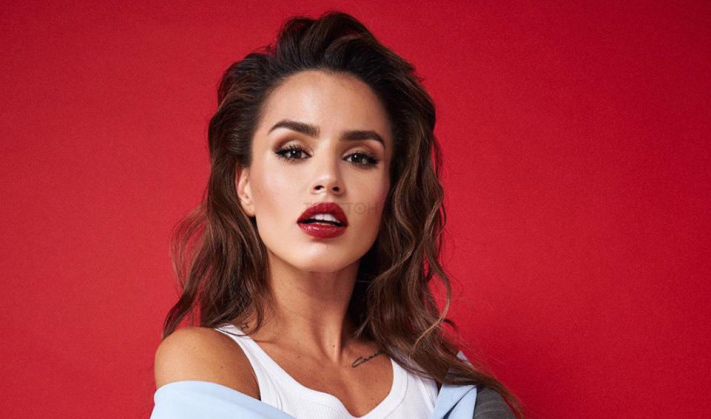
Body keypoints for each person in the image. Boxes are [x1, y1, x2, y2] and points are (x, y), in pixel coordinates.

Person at [150, 11, 523, 419]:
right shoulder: (208, 359)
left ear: (389, 192)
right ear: (245, 187)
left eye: (360, 157)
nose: (328, 178)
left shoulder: (442, 379)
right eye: (293, 151)